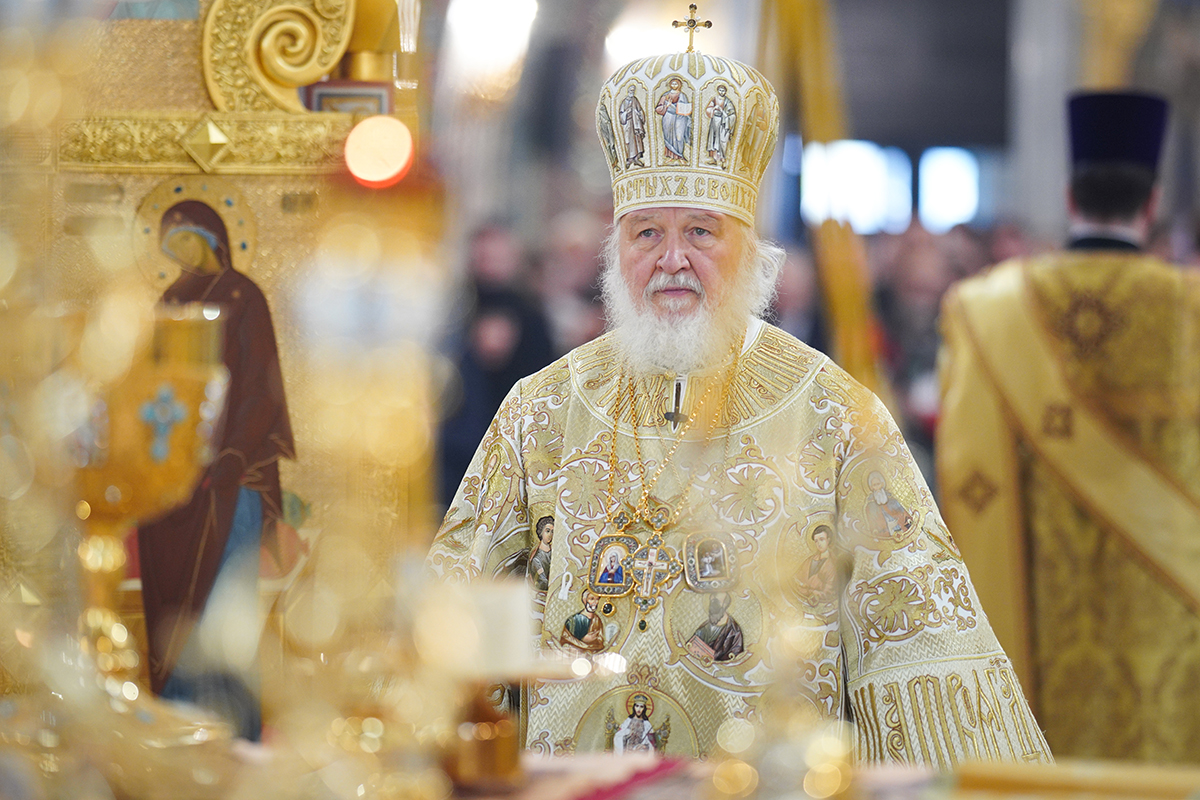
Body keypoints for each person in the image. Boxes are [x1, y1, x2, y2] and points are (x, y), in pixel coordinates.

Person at [429, 45, 1049, 765]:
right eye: (646, 233)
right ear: (614, 250)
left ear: (751, 250)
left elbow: (915, 637)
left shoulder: (837, 416)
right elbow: (461, 617)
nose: (671, 259)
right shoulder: (539, 412)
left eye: (700, 231)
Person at [938, 91, 1200, 763]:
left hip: (1032, 639)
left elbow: (966, 479)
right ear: (1152, 203)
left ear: (1067, 194)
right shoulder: (1190, 312)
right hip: (1174, 627)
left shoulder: (982, 310)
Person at [139, 199, 294, 741]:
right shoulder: (169, 301)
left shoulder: (242, 296)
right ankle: (177, 723)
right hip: (176, 488)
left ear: (212, 238)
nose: (179, 253)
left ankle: (230, 732)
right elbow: (156, 393)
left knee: (226, 605)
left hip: (234, 482)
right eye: (169, 244)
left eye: (186, 240)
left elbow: (261, 388)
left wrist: (229, 456)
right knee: (175, 603)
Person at [704, 83, 736, 168]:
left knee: (721, 141)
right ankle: (714, 159)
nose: (721, 92)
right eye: (720, 90)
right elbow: (708, 108)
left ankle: (722, 160)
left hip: (722, 123)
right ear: (717, 91)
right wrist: (713, 109)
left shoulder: (727, 101)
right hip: (714, 121)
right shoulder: (714, 99)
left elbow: (731, 112)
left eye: (723, 90)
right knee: (713, 139)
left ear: (725, 91)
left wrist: (722, 111)